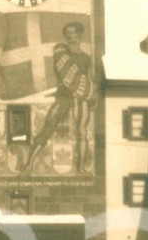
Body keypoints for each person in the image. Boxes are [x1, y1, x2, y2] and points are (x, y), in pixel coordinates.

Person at [23, 21, 97, 174]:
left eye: (73, 33)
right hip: (64, 96)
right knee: (48, 126)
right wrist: (81, 87)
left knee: (82, 132)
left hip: (81, 98)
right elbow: (65, 73)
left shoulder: (86, 58)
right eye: (67, 33)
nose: (70, 36)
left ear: (80, 35)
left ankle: (81, 168)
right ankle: (29, 165)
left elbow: (90, 79)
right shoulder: (61, 51)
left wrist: (89, 92)